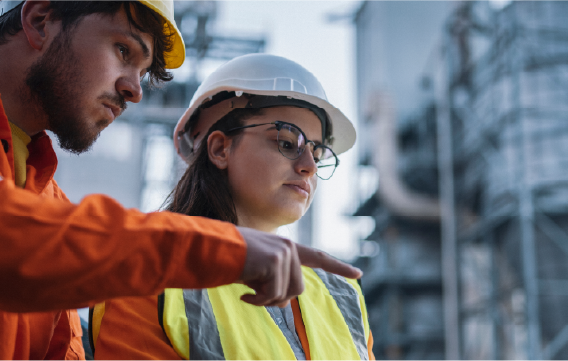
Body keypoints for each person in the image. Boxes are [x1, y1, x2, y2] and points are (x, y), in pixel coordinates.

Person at [0, 1, 360, 359]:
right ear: (40, 19)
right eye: (123, 51)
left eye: (144, 73)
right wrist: (214, 245)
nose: (135, 89)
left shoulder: (49, 204)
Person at [88, 54, 374, 360]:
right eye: (288, 143)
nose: (308, 167)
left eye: (317, 155)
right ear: (220, 148)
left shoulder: (343, 295)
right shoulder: (143, 272)